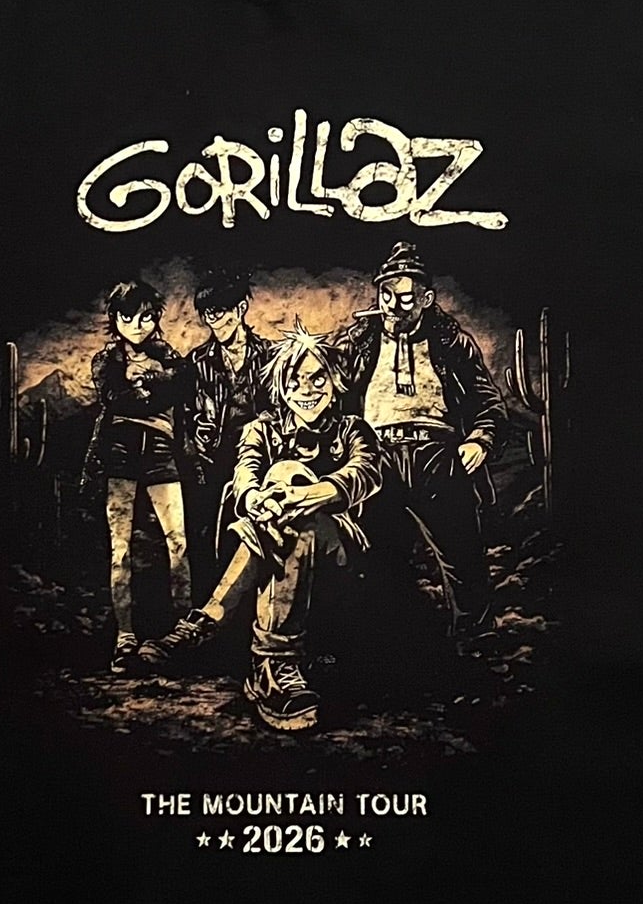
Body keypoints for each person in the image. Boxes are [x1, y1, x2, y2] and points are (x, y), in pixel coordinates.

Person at [135, 322, 382, 732]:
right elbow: (245, 474)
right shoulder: (261, 428)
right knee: (290, 524)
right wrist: (256, 499)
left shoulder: (353, 430)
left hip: (339, 556)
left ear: (334, 381)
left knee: (288, 486)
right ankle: (274, 666)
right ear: (281, 385)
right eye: (295, 380)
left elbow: (364, 473)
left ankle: (208, 620)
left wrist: (304, 495)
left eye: (317, 378)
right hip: (279, 540)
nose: (307, 389)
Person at [328, 239, 506, 640]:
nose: (394, 306)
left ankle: (475, 640)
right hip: (376, 456)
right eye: (387, 296)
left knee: (462, 553)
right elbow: (331, 396)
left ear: (426, 299)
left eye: (406, 298)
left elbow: (488, 403)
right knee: (376, 555)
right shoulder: (357, 342)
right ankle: (392, 646)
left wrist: (480, 440)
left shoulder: (451, 342)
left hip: (438, 455)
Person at [80, 279, 192, 670]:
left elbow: (178, 391)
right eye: (127, 317)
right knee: (121, 549)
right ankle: (125, 637)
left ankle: (183, 631)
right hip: (120, 454)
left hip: (161, 452)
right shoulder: (106, 360)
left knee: (178, 542)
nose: (137, 326)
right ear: (114, 319)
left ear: (156, 317)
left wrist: (150, 382)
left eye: (145, 317)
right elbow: (116, 399)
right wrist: (149, 390)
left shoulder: (172, 358)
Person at [183, 268, 274, 594]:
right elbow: (185, 415)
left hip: (258, 461)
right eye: (207, 314)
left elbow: (280, 408)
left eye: (219, 312)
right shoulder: (197, 362)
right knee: (205, 535)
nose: (213, 321)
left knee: (253, 534)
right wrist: (197, 438)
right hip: (212, 461)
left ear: (240, 309)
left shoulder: (269, 356)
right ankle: (205, 605)